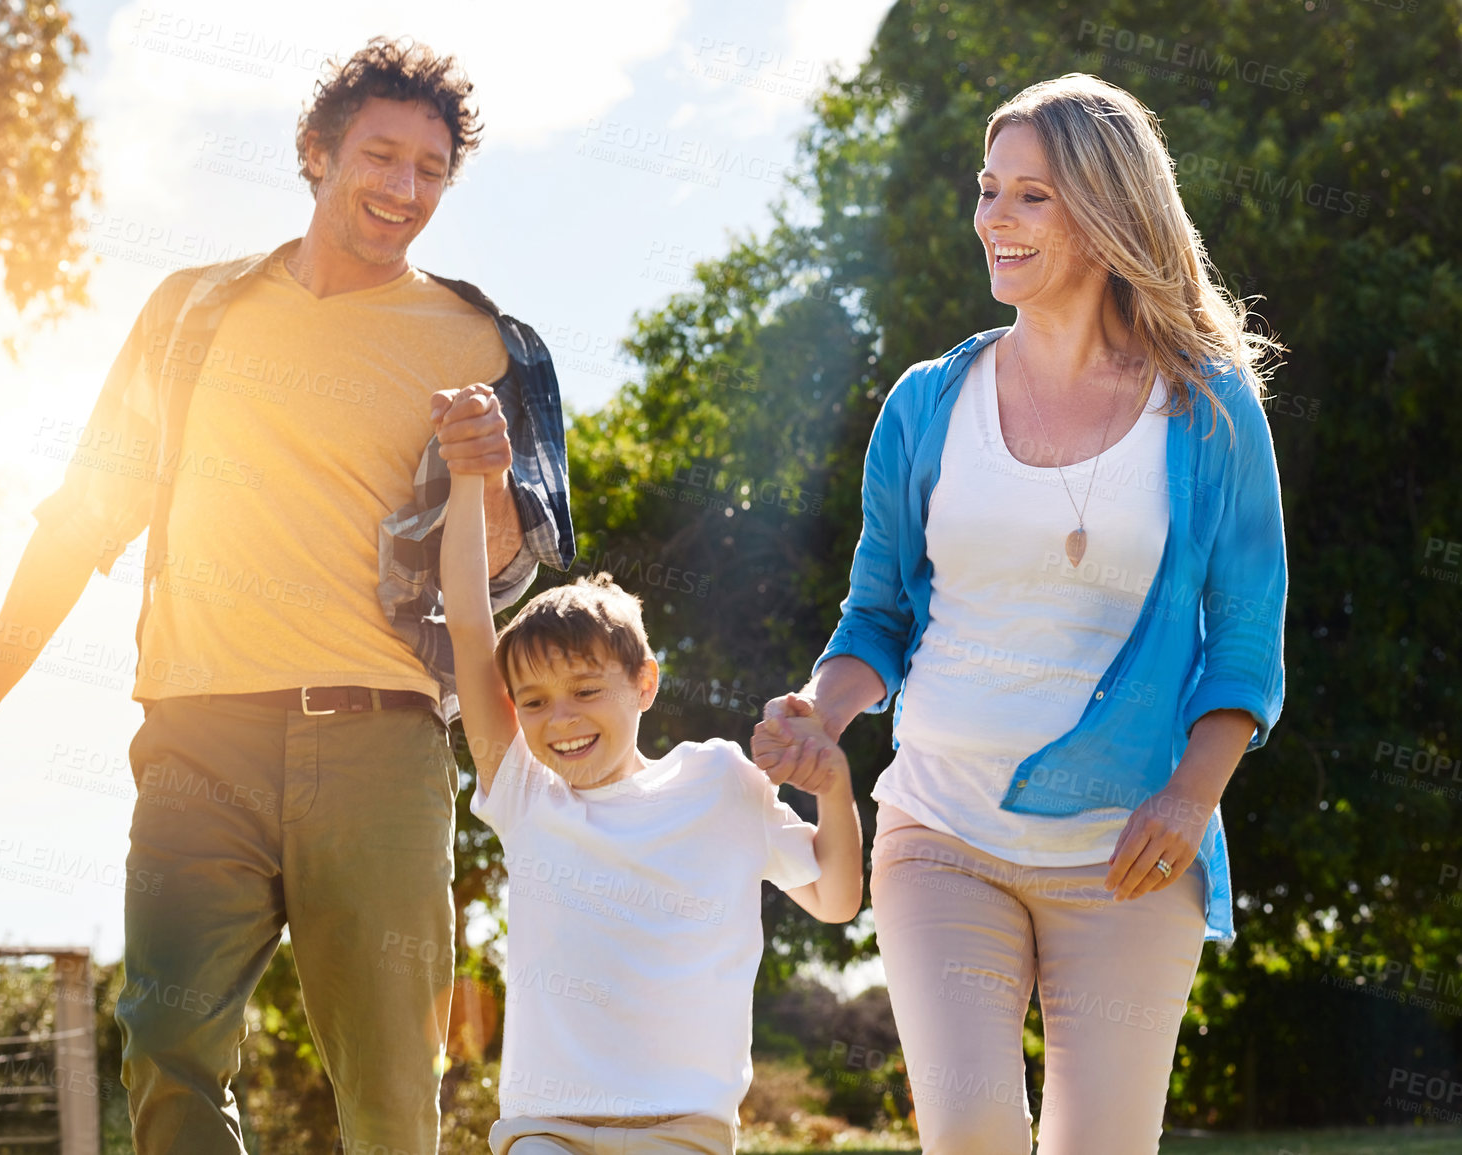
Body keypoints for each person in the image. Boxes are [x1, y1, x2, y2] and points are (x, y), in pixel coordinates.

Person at [0, 38, 574, 1155]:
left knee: (389, 1095)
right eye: (378, 155)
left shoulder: (486, 342)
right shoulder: (189, 314)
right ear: (316, 153)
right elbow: (80, 519)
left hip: (381, 747)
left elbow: (508, 568)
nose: (402, 190)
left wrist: (486, 468)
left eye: (429, 170)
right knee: (166, 1060)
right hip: (194, 740)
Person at [752, 73, 1287, 1154]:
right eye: (987, 190)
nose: (992, 217)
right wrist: (821, 708)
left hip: (1128, 849)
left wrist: (1190, 801)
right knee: (973, 1136)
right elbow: (876, 616)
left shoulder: (1208, 406)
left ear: (1106, 209)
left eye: (1029, 197)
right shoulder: (924, 405)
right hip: (939, 828)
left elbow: (1243, 634)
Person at [435, 383, 863, 1154]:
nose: (559, 719)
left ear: (645, 683)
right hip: (545, 1128)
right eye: (531, 702)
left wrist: (834, 791)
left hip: (682, 1129)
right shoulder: (526, 793)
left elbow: (835, 898)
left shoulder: (721, 782)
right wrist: (469, 475)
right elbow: (469, 623)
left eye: (585, 690)